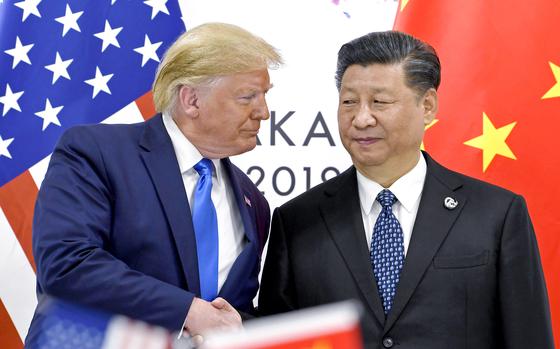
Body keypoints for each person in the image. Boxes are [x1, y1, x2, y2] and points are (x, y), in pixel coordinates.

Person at [258, 31, 553, 348]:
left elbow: (528, 337)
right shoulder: (298, 221)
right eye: (349, 102)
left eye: (379, 102)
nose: (361, 118)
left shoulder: (496, 215)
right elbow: (280, 337)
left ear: (427, 106)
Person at [26, 22, 281, 343]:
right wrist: (188, 311)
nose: (264, 112)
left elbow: (230, 315)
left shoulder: (253, 201)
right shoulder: (95, 153)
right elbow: (67, 264)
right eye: (248, 97)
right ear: (191, 100)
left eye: (265, 96)